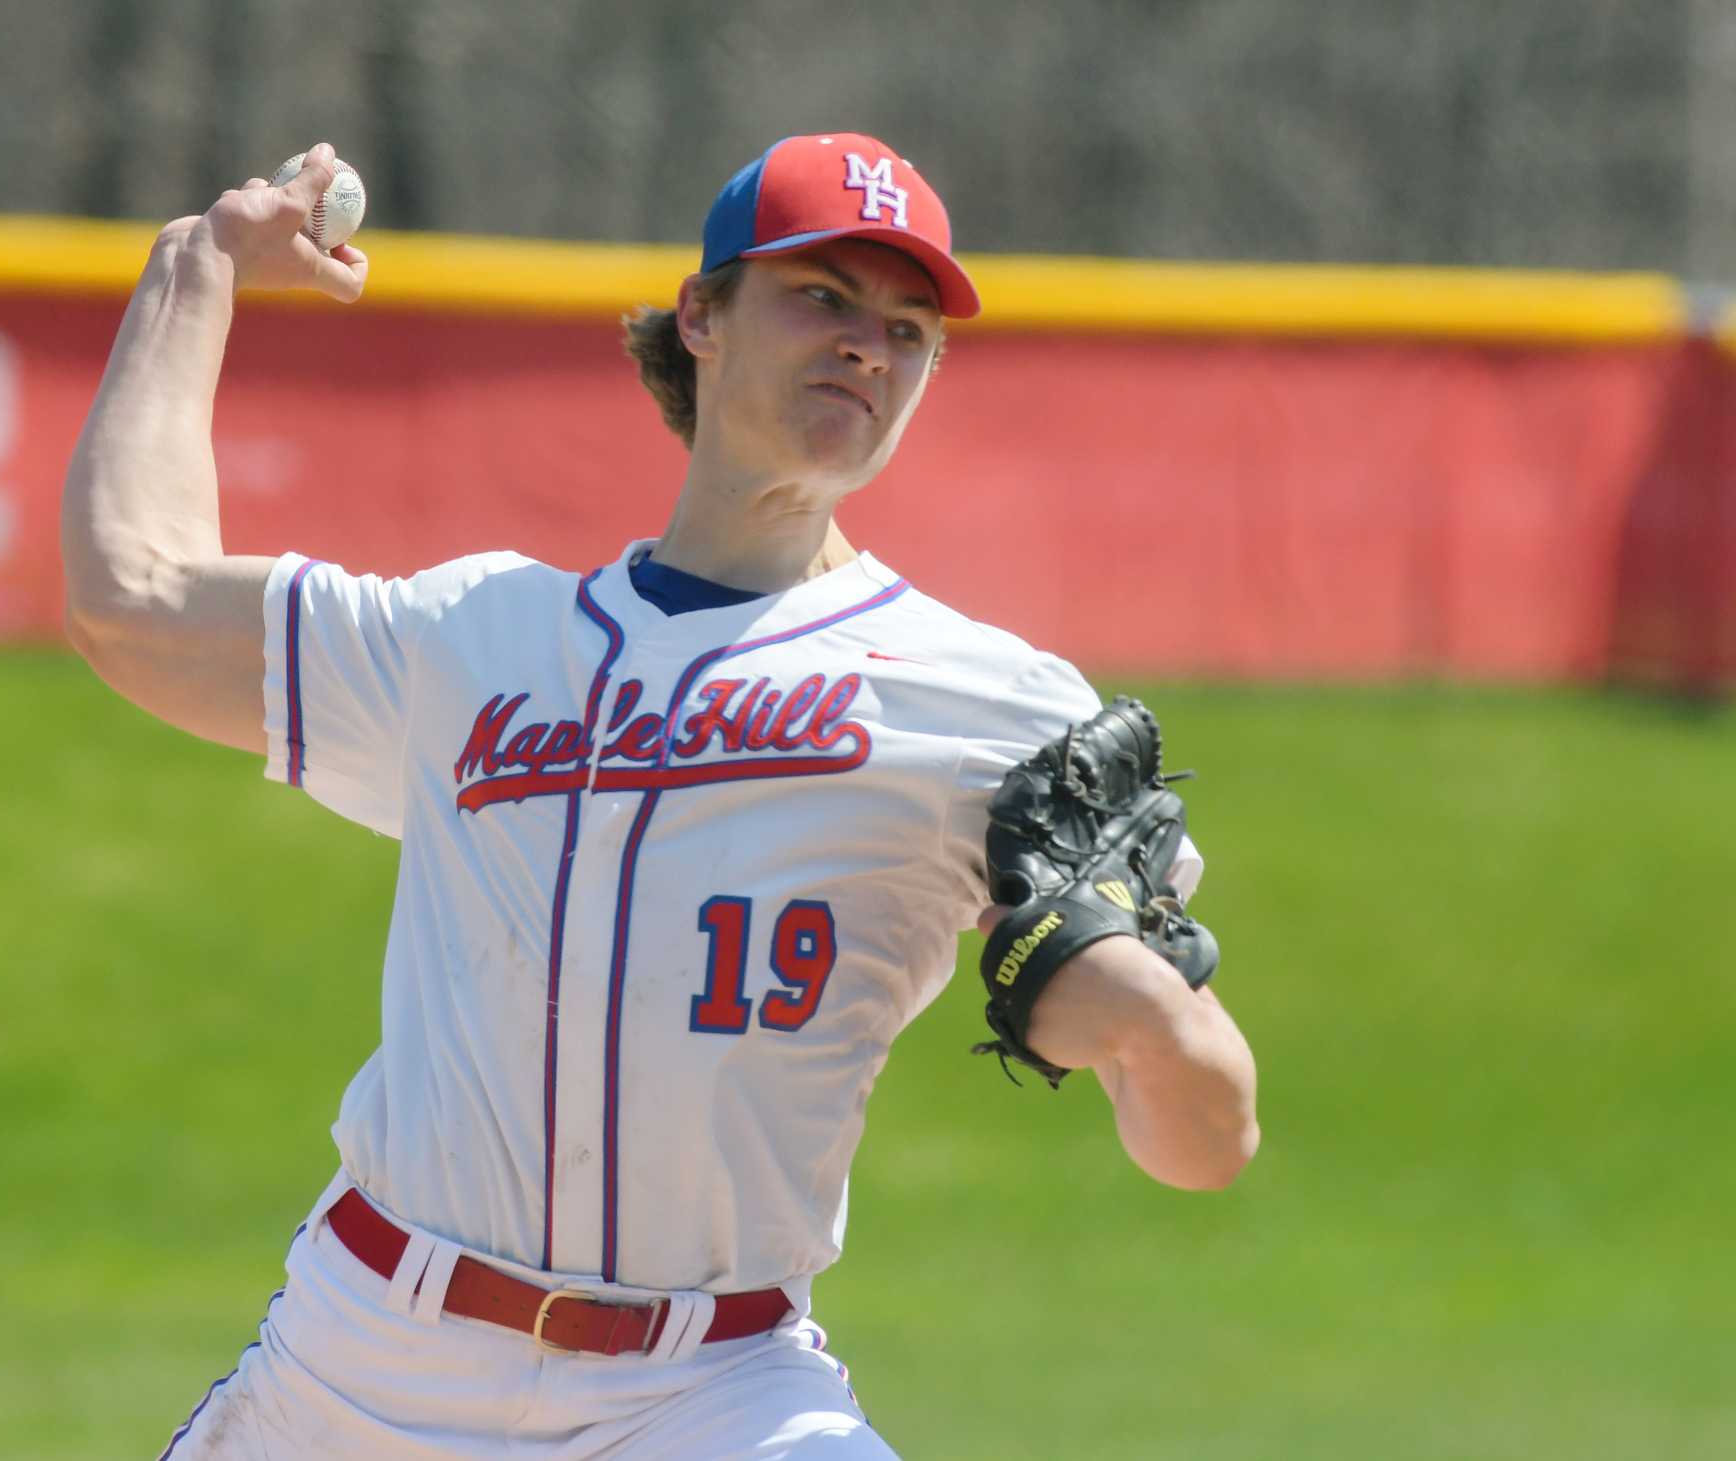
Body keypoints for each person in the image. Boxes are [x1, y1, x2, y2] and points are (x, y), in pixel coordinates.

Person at [63, 133, 1259, 1460]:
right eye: (824, 296)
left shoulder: (997, 706)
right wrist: (199, 266)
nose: (869, 343)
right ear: (701, 313)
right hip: (362, 1365)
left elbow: (1206, 1143)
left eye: (908, 326)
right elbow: (136, 599)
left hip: (713, 1394)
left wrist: (1154, 1028)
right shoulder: (477, 636)